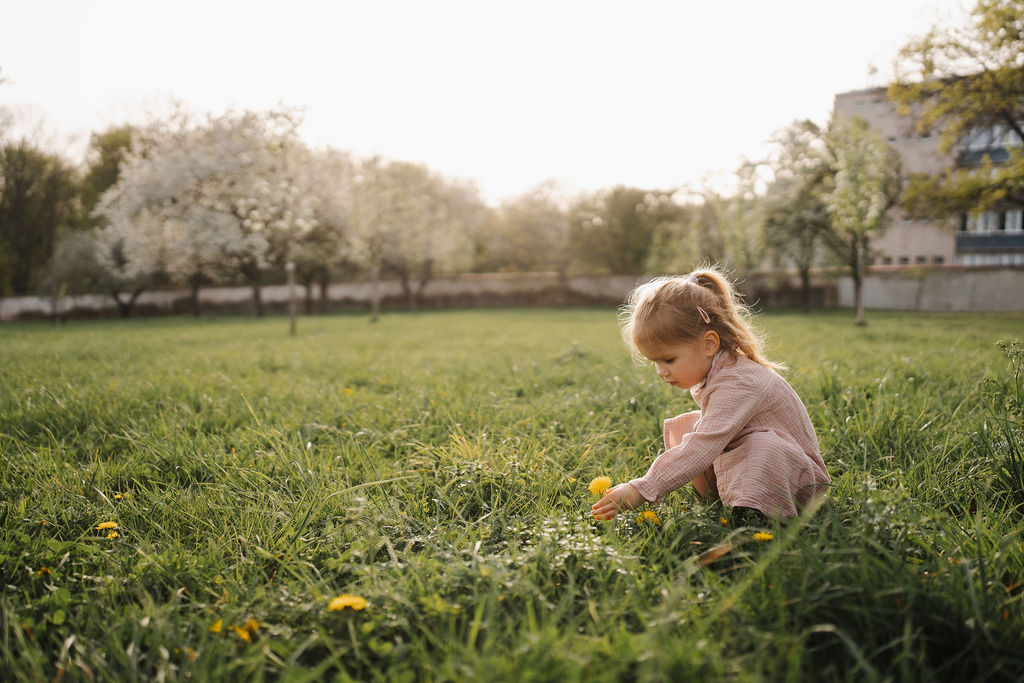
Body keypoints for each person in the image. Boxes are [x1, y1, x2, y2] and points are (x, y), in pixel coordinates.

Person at [591, 268, 830, 523]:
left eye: (668, 360)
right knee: (690, 426)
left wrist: (644, 488)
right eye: (655, 363)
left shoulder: (739, 381)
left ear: (709, 344)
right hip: (769, 463)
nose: (662, 372)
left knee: (748, 443)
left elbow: (705, 444)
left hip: (798, 481)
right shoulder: (719, 370)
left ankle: (755, 517)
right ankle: (709, 507)